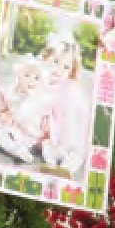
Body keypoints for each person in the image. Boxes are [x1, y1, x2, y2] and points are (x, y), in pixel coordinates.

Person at [36, 32, 92, 175]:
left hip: (68, 130)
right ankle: (52, 165)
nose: (59, 71)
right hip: (49, 131)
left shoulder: (70, 89)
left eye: (66, 67)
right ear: (45, 59)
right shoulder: (40, 80)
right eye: (55, 62)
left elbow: (74, 117)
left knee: (75, 150)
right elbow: (35, 104)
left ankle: (68, 167)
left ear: (72, 70)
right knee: (46, 145)